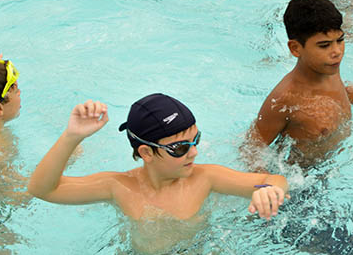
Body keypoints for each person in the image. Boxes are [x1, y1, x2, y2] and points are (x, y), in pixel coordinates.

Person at [28, 94, 289, 228]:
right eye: (180, 148)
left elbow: (272, 180)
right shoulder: (119, 187)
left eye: (195, 140)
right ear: (146, 153)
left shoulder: (205, 178)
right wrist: (72, 136)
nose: (194, 153)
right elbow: (42, 190)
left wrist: (269, 191)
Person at [245, 0, 353, 163]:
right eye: (324, 45)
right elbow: (250, 150)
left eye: (340, 40)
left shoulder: (328, 67)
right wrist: (268, 185)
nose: (337, 52)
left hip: (341, 163)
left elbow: (345, 93)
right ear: (295, 48)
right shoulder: (284, 100)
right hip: (305, 182)